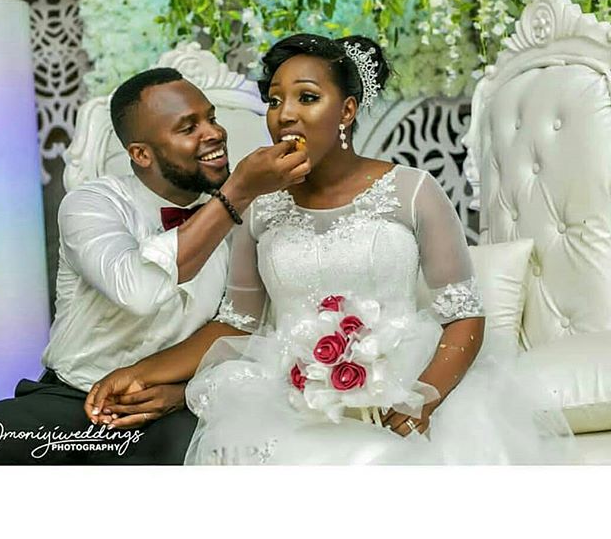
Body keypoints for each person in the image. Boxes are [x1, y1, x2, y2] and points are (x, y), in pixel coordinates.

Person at [86, 36, 576, 465]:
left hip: (405, 381)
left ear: (346, 111)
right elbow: (236, 323)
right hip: (289, 392)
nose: (286, 114)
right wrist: (137, 371)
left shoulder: (412, 189)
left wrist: (422, 400)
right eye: (275, 101)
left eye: (307, 98)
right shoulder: (258, 208)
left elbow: (464, 314)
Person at [0, 67, 310, 464]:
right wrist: (237, 192)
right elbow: (138, 291)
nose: (214, 133)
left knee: (206, 455)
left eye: (211, 118)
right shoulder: (91, 204)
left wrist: (183, 391)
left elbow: (241, 327)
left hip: (172, 406)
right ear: (141, 154)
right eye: (188, 128)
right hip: (69, 403)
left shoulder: (253, 217)